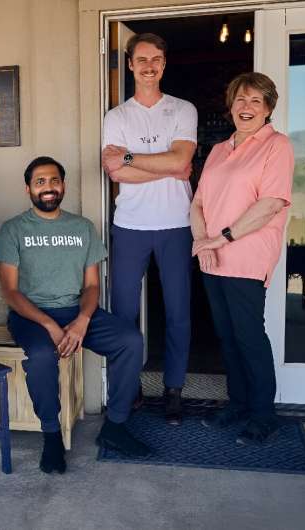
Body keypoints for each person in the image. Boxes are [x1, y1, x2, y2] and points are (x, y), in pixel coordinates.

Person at [0, 156, 148, 474]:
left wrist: (82, 320)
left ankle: (115, 426)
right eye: (40, 182)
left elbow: (91, 286)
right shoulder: (13, 230)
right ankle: (51, 434)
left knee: (130, 341)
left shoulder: (82, 227)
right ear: (28, 189)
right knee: (41, 355)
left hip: (77, 312)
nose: (48, 188)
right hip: (31, 316)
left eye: (54, 181)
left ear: (62, 186)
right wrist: (49, 324)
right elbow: (11, 292)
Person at [190, 72, 294, 445]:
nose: (246, 108)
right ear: (231, 105)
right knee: (226, 335)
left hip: (246, 255)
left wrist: (223, 238)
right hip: (213, 256)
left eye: (255, 101)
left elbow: (270, 204)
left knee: (249, 335)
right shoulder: (219, 150)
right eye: (240, 100)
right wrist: (203, 242)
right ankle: (238, 403)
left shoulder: (277, 146)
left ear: (267, 109)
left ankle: (264, 414)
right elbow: (199, 202)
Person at [101, 33, 197, 425]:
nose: (148, 66)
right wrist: (166, 166)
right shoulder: (116, 116)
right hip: (130, 225)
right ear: (129, 64)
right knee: (124, 313)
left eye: (156, 59)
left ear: (164, 63)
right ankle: (129, 387)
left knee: (178, 312)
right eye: (141, 59)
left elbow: (182, 159)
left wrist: (130, 158)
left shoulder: (182, 109)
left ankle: (174, 390)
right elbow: (114, 171)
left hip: (176, 223)